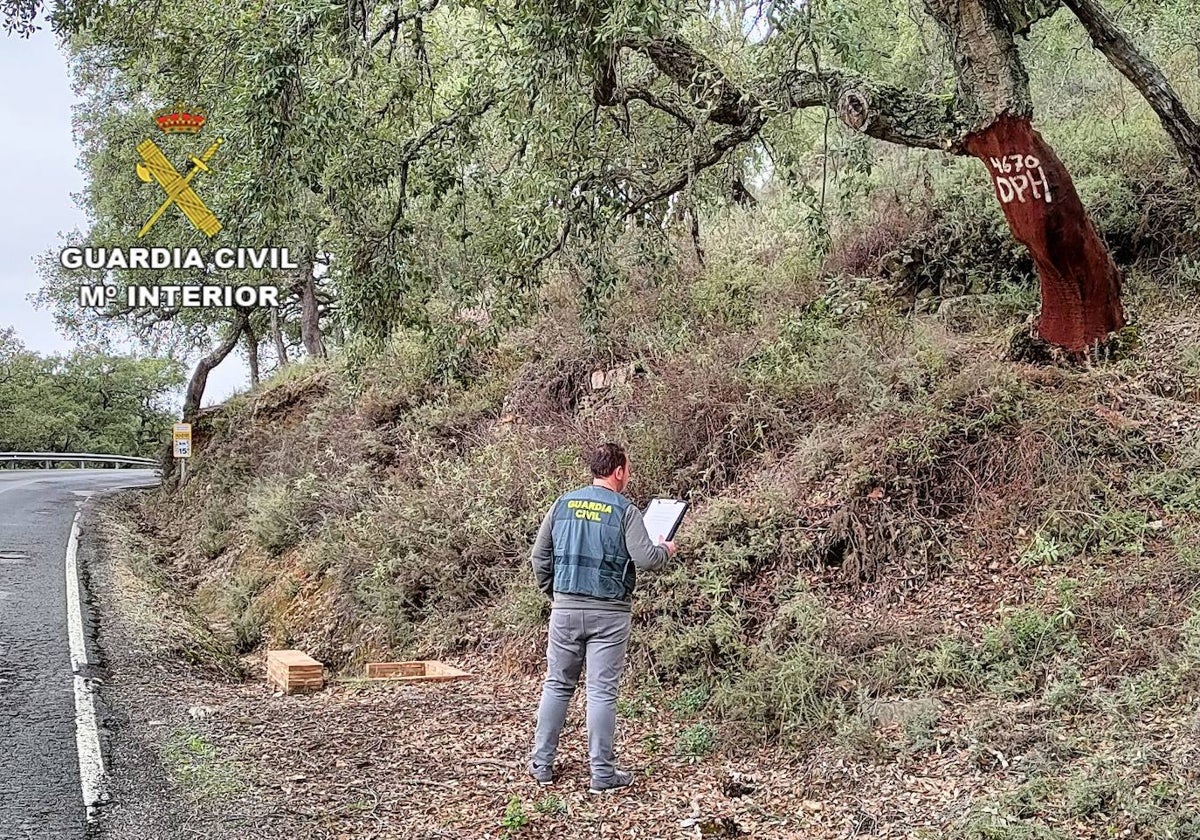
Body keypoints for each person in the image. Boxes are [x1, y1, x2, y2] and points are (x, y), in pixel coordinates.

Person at [526, 442, 678, 793]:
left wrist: (556, 594)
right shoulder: (626, 511)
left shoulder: (562, 504)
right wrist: (666, 550)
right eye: (629, 469)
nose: (629, 476)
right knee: (601, 693)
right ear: (618, 472)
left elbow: (539, 557)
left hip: (564, 609)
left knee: (557, 685)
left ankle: (541, 765)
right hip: (609, 615)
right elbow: (647, 560)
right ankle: (602, 774)